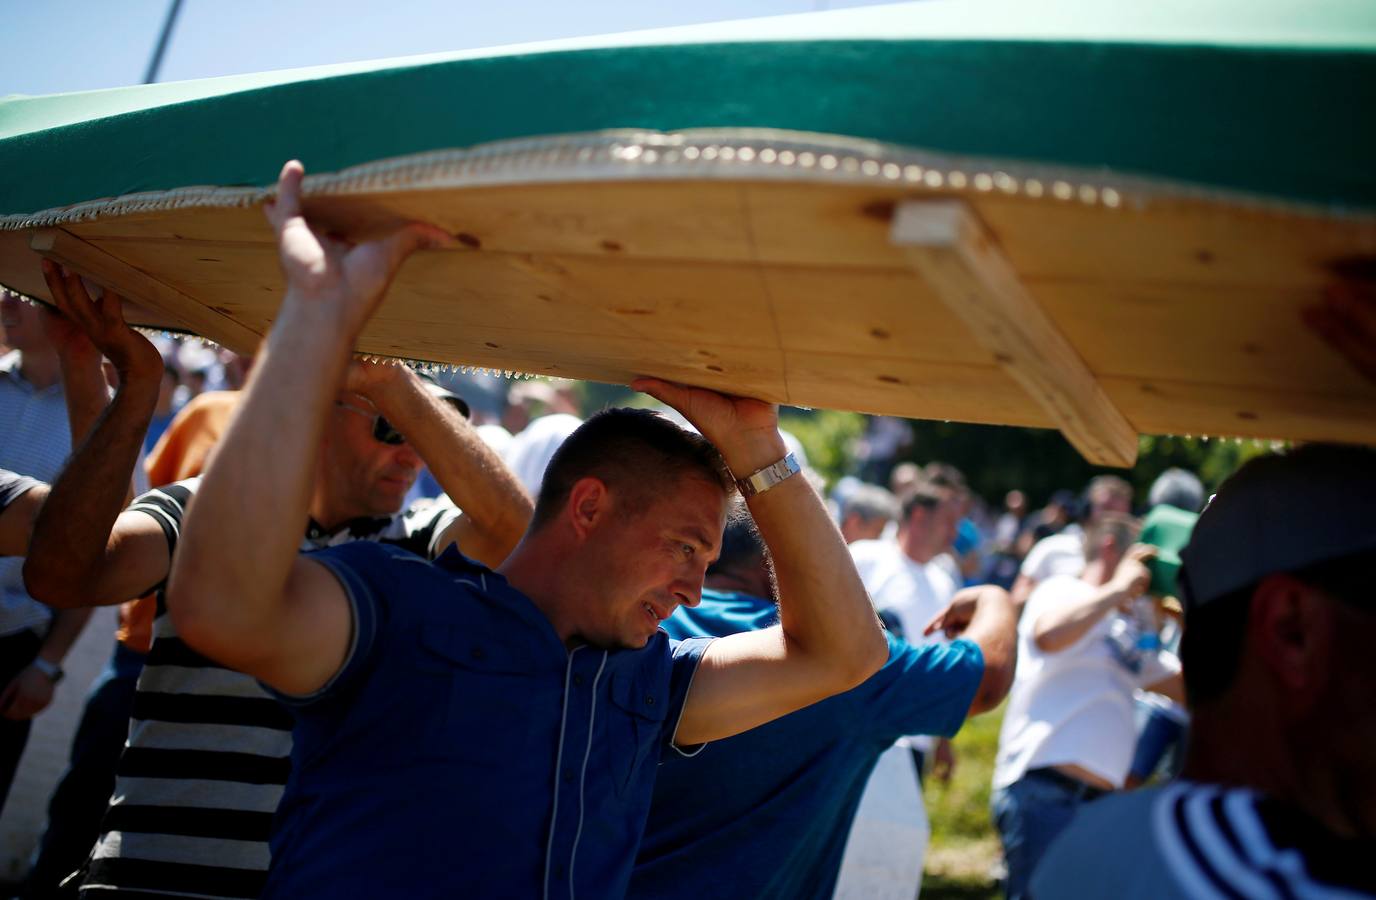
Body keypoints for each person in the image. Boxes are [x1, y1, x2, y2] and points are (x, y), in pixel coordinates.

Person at [162, 160, 887, 898]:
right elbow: (222, 608)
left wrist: (759, 451)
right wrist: (315, 317)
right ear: (589, 507)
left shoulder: (647, 684)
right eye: (684, 547)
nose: (696, 585)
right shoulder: (398, 608)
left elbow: (847, 655)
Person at [23, 250, 533, 898]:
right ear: (318, 411)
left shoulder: (422, 545)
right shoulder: (207, 509)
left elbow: (518, 533)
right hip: (149, 884)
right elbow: (68, 577)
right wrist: (135, 388)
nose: (412, 453)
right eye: (387, 427)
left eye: (427, 432)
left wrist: (391, 385)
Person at [1032, 443, 1376, 898]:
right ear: (1293, 630)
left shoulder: (1102, 847)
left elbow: (1177, 682)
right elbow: (1048, 634)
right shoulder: (1243, 878)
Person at [630, 506, 1015, 900]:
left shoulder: (637, 630)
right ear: (785, 562)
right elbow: (986, 680)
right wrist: (994, 599)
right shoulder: (851, 668)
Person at [990, 513, 1184, 899]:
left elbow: (1198, 693)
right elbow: (1050, 634)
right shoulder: (1063, 588)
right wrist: (1118, 591)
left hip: (1101, 807)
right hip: (1045, 793)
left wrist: (1186, 620)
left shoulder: (1129, 628)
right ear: (1112, 548)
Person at [0, 279, 116, 815]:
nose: (3, 301)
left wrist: (46, 664)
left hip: (15, 646)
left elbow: (101, 545)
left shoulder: (101, 414)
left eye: (17, 289)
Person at [842, 480, 962, 895]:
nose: (955, 531)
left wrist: (943, 736)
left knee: (889, 832)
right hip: (860, 724)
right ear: (918, 516)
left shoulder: (945, 583)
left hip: (915, 739)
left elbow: (941, 662)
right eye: (949, 520)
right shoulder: (867, 558)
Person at [1010, 474, 1133, 612]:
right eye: (1106, 509)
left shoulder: (1132, 560)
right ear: (1087, 509)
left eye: (1119, 514)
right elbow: (1016, 599)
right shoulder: (1053, 547)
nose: (1112, 519)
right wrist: (1066, 587)